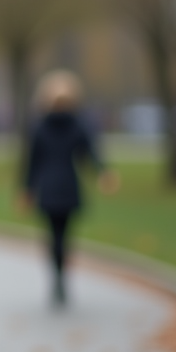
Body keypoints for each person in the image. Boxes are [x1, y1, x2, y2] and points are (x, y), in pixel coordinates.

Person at [20, 70, 118, 308]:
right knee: (65, 236)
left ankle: (57, 276)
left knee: (52, 236)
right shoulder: (77, 125)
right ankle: (61, 275)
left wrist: (27, 189)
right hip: (68, 186)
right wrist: (102, 172)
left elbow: (31, 162)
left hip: (48, 187)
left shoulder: (40, 126)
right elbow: (90, 154)